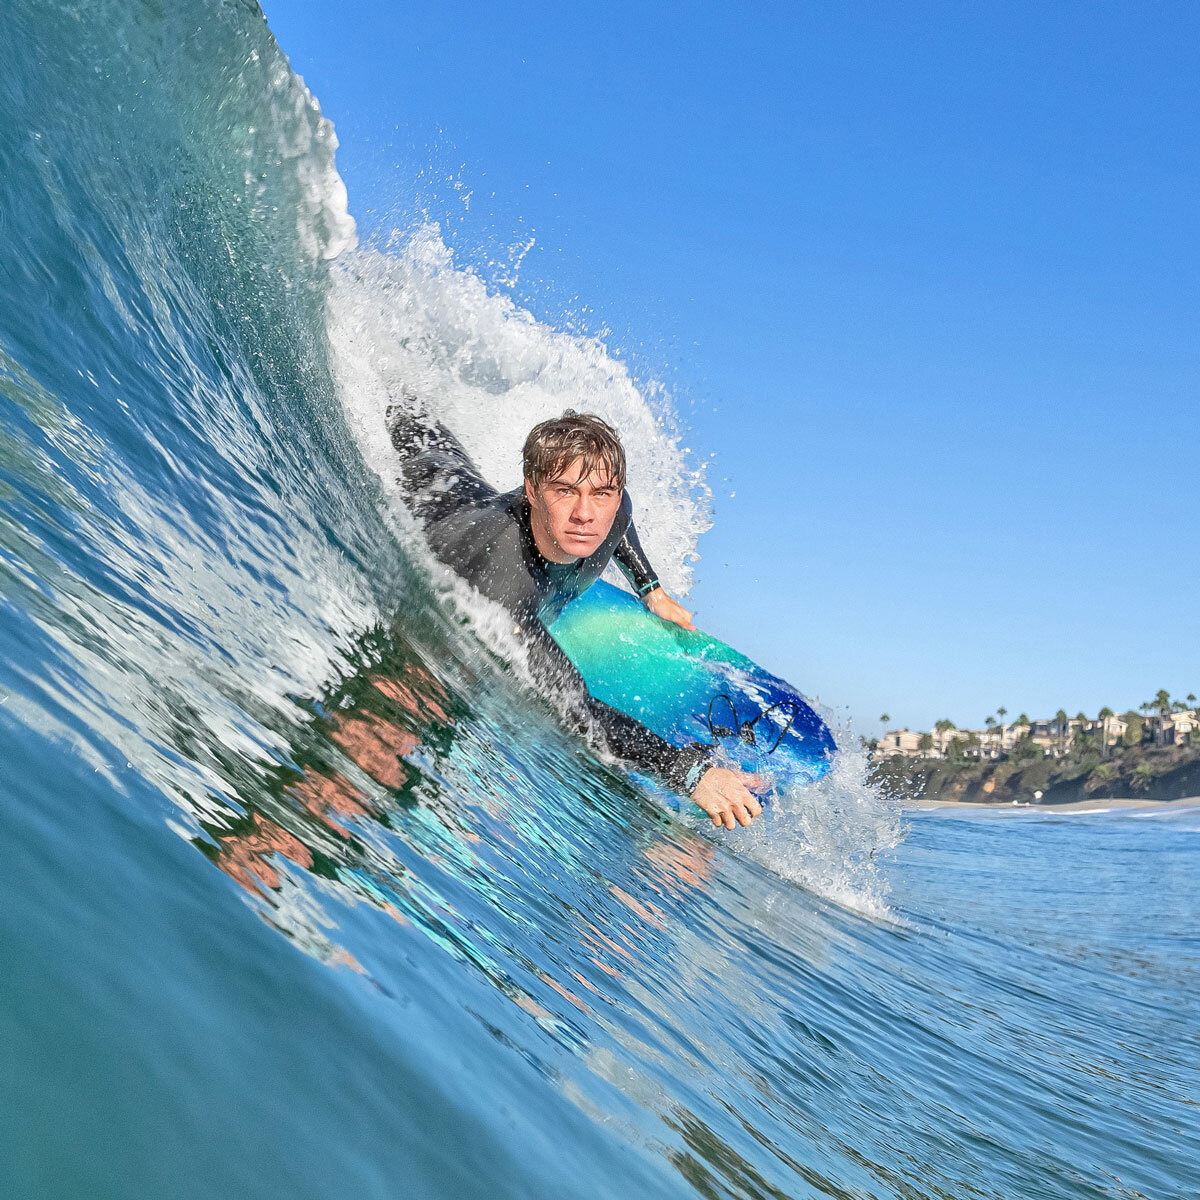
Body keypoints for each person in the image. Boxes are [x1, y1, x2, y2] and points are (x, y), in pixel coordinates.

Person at [387, 405, 764, 829]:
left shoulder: (610, 508)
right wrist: (690, 773)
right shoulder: (501, 586)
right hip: (440, 484)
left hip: (491, 511)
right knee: (407, 414)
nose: (586, 514)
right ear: (532, 491)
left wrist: (650, 590)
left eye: (602, 493)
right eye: (564, 490)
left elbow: (621, 521)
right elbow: (576, 708)